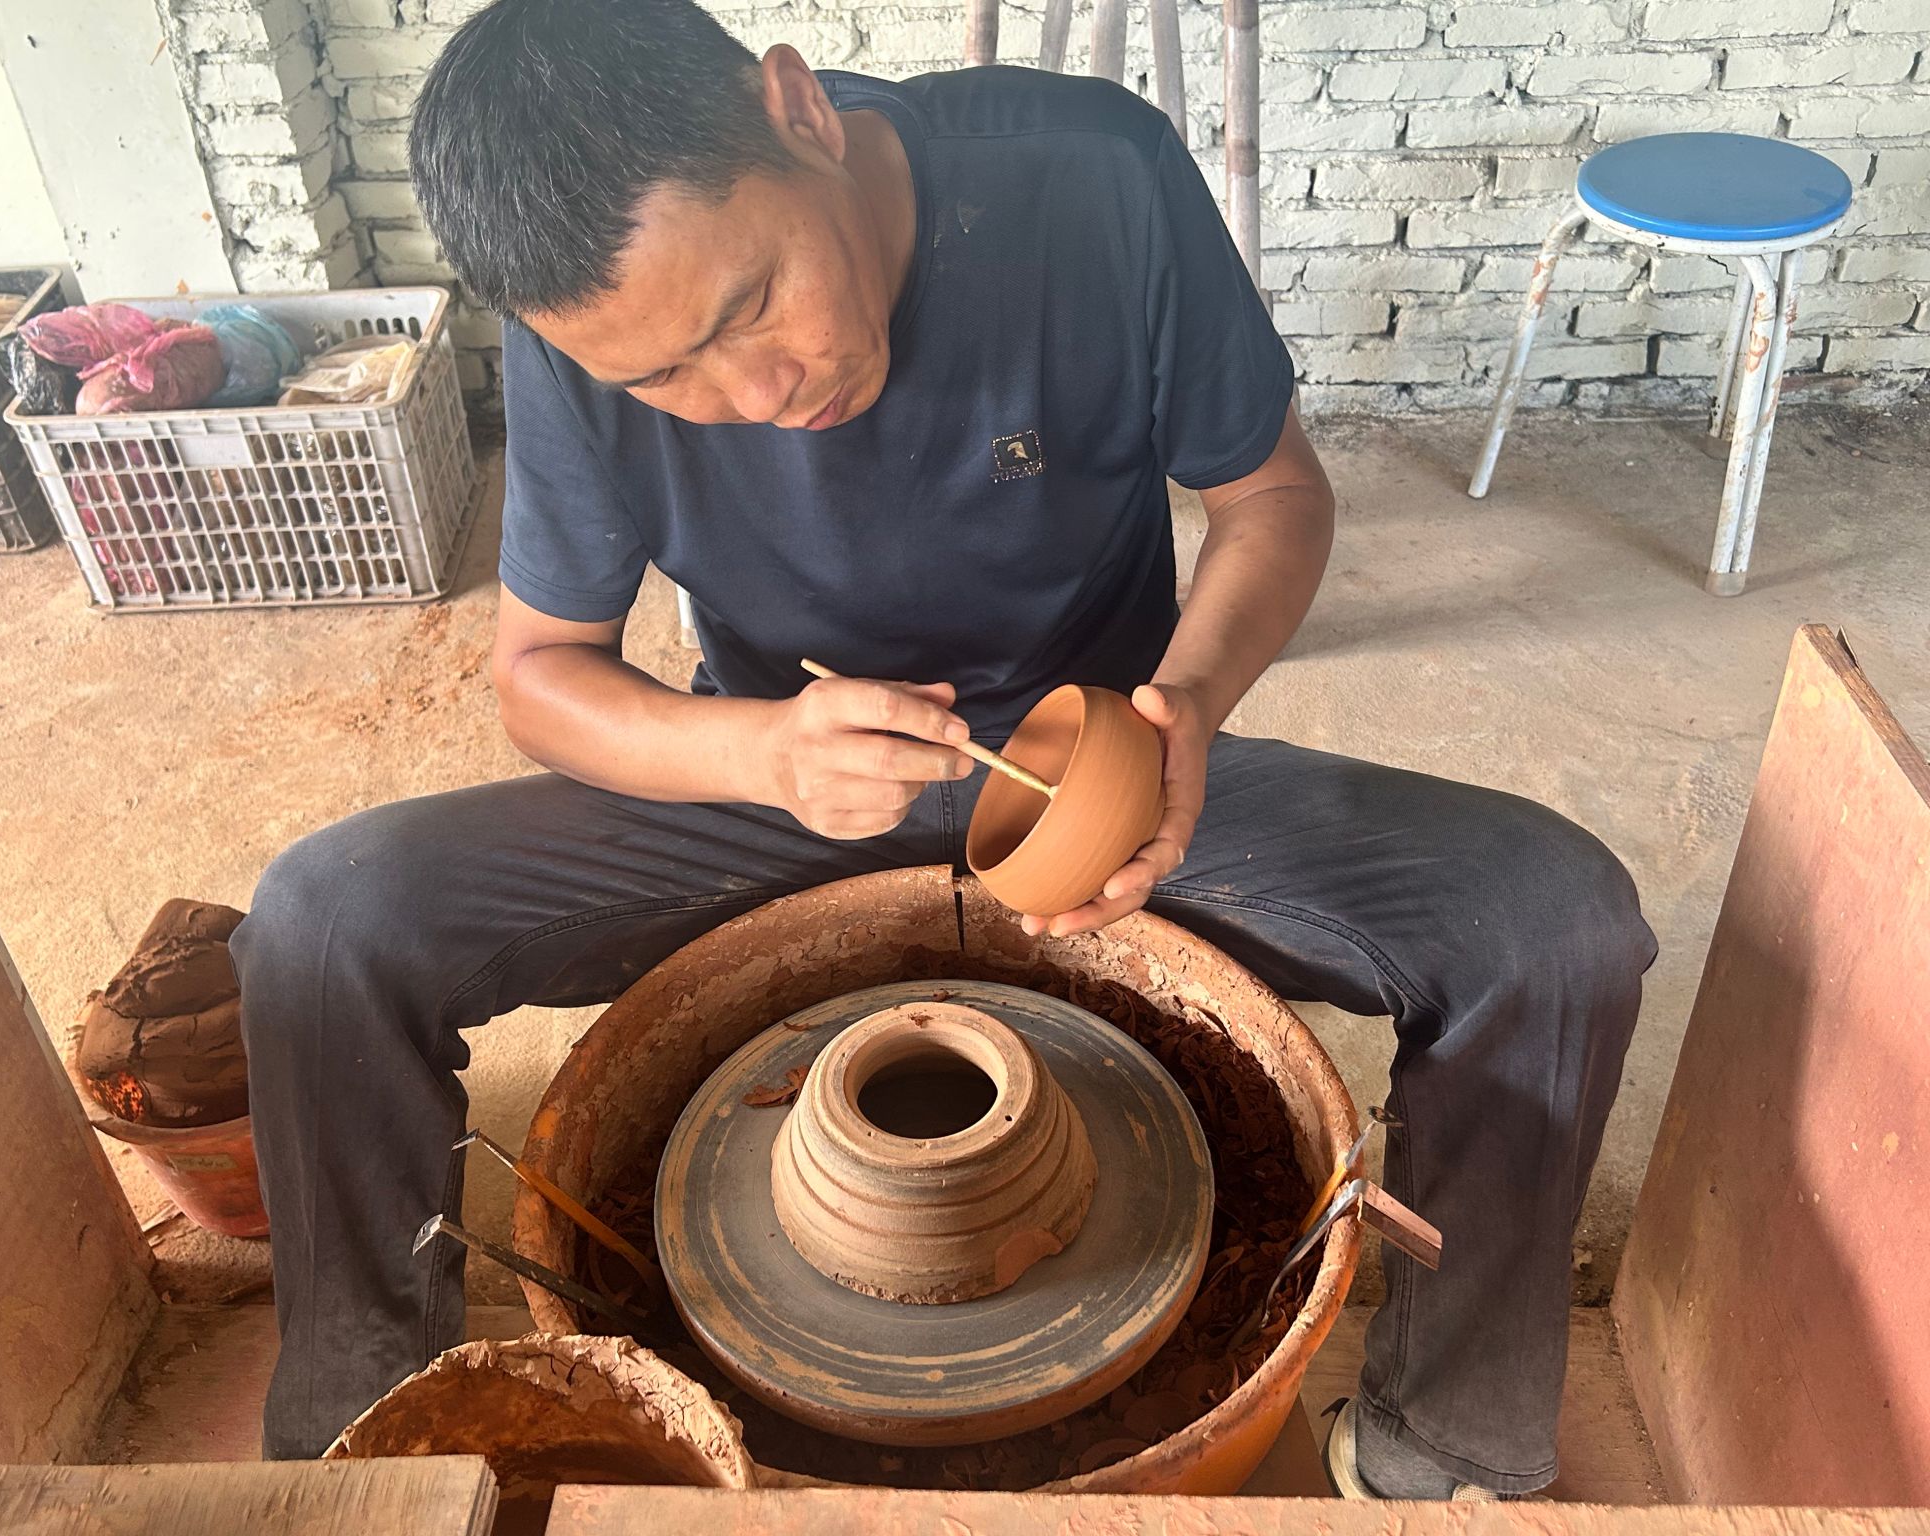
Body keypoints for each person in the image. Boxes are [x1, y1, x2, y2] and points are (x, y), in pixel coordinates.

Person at [229, 0, 1656, 1495]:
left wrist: (1183, 708)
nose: (756, 399)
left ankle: (1445, 1449)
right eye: (666, 384)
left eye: (750, 307)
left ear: (798, 112)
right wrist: (761, 753)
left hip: (1088, 780)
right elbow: (541, 676)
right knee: (327, 923)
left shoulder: (1091, 180)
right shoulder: (579, 324)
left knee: (1548, 923)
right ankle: (352, 1471)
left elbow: (1274, 499)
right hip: (795, 780)